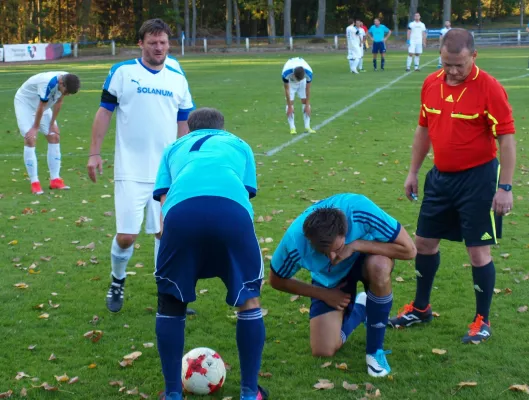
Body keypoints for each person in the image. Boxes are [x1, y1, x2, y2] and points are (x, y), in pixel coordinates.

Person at [389, 29, 516, 344]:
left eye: (459, 65)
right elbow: (423, 130)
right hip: (441, 179)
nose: (453, 71)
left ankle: (482, 320)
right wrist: (413, 172)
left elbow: (507, 139)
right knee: (424, 243)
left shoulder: (490, 89)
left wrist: (506, 187)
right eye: (446, 64)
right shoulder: (431, 83)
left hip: (479, 181)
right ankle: (420, 308)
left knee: (477, 251)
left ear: (474, 56)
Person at [153, 108, 268, 400]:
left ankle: (172, 394)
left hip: (181, 214)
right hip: (231, 213)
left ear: (189, 130)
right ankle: (249, 392)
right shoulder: (239, 144)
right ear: (222, 127)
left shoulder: (173, 148)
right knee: (249, 300)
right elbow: (245, 190)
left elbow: (164, 200)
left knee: (171, 302)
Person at [86, 18, 196, 315]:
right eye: (152, 43)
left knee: (166, 233)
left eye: (163, 43)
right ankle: (117, 281)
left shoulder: (177, 77)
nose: (158, 48)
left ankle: (168, 292)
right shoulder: (123, 73)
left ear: (169, 44)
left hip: (167, 172)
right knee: (127, 236)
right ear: (141, 44)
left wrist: (184, 161)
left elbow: (183, 121)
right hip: (131, 171)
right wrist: (94, 153)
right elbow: (104, 113)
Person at [269, 193, 416, 377]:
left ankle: (374, 351)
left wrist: (356, 245)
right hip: (330, 281)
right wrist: (323, 294)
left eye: (337, 249)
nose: (333, 258)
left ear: (345, 232)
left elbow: (409, 250)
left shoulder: (359, 209)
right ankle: (362, 306)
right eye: (323, 252)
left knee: (379, 266)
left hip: (366, 258)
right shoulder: (294, 241)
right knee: (323, 350)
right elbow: (276, 280)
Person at [14, 71, 80, 194]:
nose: (66, 94)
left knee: (54, 136)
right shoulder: (47, 83)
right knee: (30, 138)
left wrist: (52, 124)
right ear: (61, 83)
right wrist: (35, 127)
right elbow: (40, 106)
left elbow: (59, 102)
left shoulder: (68, 79)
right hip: (25, 104)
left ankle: (55, 180)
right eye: (66, 92)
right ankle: (35, 183)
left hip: (43, 106)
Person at [282, 57, 316, 135]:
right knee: (290, 102)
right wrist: (289, 106)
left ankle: (307, 127)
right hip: (291, 82)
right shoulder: (286, 73)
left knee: (304, 100)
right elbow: (286, 89)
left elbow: (308, 89)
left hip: (303, 83)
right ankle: (292, 128)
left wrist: (307, 105)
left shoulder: (309, 73)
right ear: (293, 74)